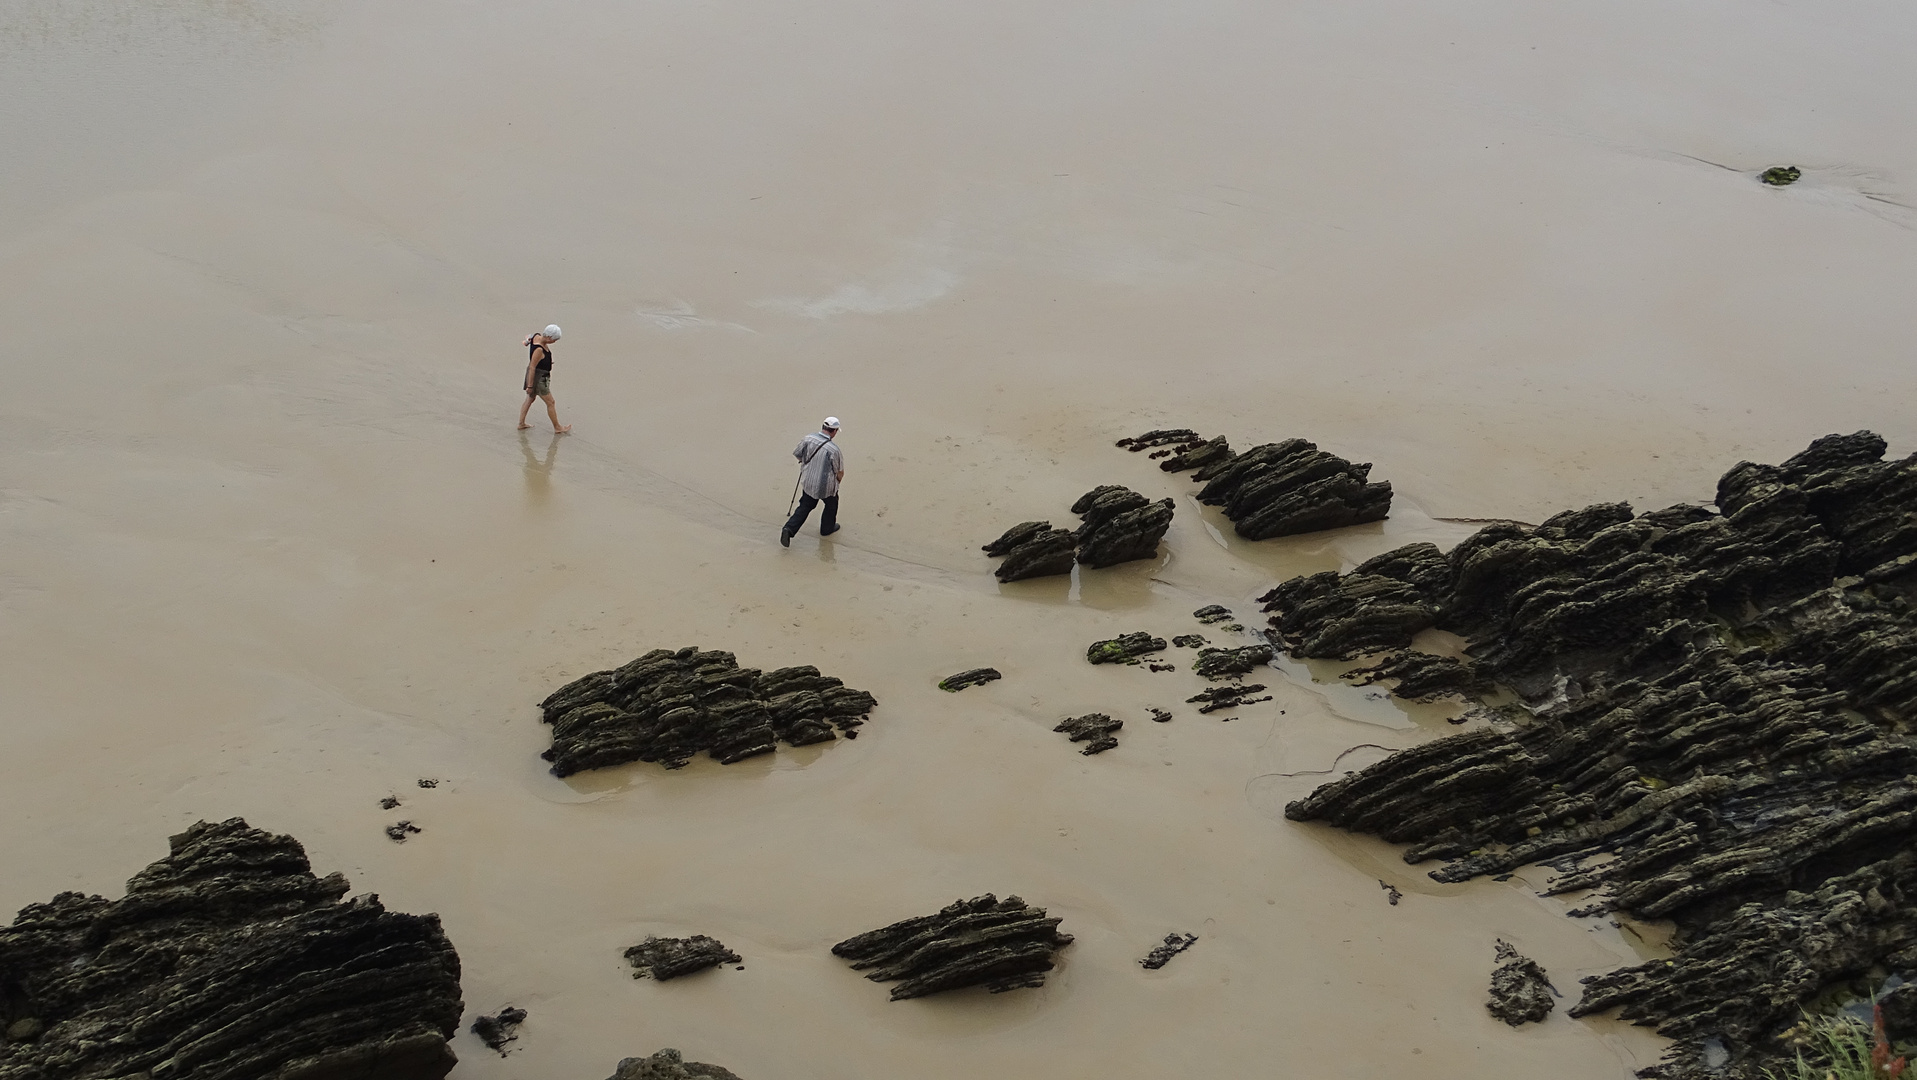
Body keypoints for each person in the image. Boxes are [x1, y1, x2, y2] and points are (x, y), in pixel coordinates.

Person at [781, 417, 844, 546]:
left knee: (805, 505)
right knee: (831, 505)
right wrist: (837, 483)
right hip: (826, 487)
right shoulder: (834, 450)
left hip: (808, 482)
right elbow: (839, 471)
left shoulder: (808, 438)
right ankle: (827, 529)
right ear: (835, 431)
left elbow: (798, 454)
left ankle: (789, 529)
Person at [516, 325, 571, 433]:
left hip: (537, 375)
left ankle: (521, 424)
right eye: (554, 340)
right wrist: (530, 386)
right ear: (549, 337)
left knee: (530, 399)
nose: (554, 342)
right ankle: (557, 428)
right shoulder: (539, 350)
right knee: (551, 402)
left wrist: (526, 342)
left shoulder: (536, 336)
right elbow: (532, 367)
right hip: (539, 378)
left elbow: (529, 337)